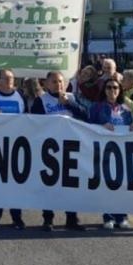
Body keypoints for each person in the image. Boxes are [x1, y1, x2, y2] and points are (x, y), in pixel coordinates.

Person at [30, 71, 88, 232]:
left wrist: (69, 104)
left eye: (61, 82)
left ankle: (71, 218)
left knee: (70, 184)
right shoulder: (41, 101)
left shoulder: (72, 97)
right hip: (50, 149)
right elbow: (35, 123)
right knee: (49, 184)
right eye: (54, 82)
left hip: (71, 147)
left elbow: (85, 115)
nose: (58, 85)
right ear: (47, 84)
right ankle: (48, 219)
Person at [88, 80, 133, 230]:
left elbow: (132, 125)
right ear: (104, 90)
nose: (112, 90)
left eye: (115, 87)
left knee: (122, 185)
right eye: (108, 87)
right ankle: (108, 216)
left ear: (119, 90)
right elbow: (88, 125)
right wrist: (101, 126)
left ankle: (122, 216)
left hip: (122, 152)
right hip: (104, 151)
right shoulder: (96, 107)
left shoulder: (125, 109)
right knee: (107, 184)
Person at [0, 69, 27, 230]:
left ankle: (17, 217)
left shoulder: (20, 96)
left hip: (16, 145)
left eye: (12, 78)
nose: (10, 80)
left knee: (15, 183)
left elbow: (28, 118)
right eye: (7, 78)